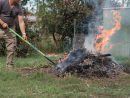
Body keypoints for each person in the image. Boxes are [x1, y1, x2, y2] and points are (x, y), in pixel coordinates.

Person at [0, 0, 27, 70]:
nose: (20, 0)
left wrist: (24, 34)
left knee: (11, 48)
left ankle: (9, 67)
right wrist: (2, 23)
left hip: (10, 29)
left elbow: (21, 22)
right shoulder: (2, 2)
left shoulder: (19, 7)